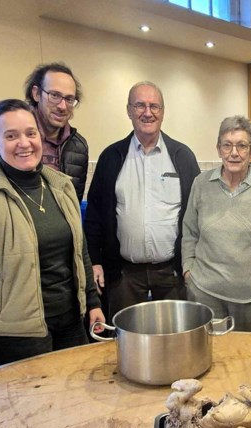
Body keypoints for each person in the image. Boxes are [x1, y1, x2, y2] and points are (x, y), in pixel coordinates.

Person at [0, 99, 105, 385]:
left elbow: (80, 250)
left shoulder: (61, 186)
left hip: (70, 322)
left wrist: (92, 302)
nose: (24, 143)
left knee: (74, 402)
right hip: (16, 336)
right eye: (11, 135)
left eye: (30, 133)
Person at [84, 81, 200, 320]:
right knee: (126, 343)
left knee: (175, 341)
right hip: (124, 275)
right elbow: (95, 216)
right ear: (129, 111)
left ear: (163, 112)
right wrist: (95, 261)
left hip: (173, 273)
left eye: (154, 106)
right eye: (140, 106)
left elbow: (199, 214)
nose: (148, 113)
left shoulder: (183, 157)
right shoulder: (111, 157)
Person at [182, 116, 251, 331]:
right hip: (204, 293)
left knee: (244, 359)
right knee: (208, 357)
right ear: (219, 149)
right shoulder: (201, 184)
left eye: (241, 145)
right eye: (227, 145)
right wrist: (187, 271)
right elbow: (190, 232)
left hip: (250, 298)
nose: (234, 153)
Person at [0, 62, 89, 204]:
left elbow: (73, 205)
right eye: (54, 95)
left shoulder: (78, 147)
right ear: (36, 93)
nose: (62, 106)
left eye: (69, 99)